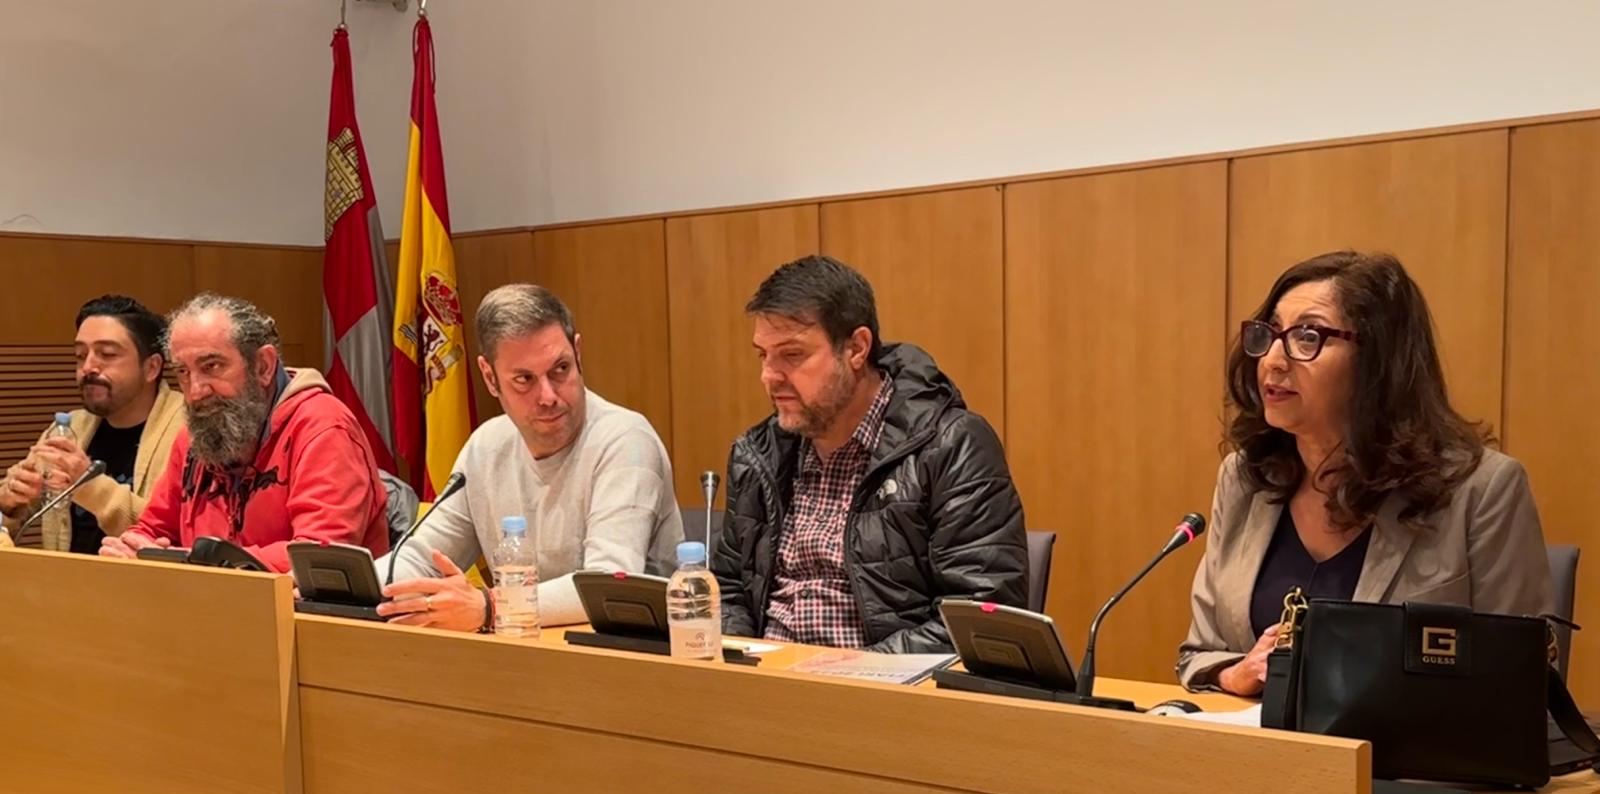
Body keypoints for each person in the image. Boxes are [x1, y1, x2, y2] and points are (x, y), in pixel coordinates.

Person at [1179, 251, 1551, 694]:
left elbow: (1523, 682)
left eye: (1308, 336)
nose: (1274, 360)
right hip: (1262, 755)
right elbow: (1199, 652)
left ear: (1378, 362)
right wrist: (1235, 673)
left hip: (1402, 761)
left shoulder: (1479, 491)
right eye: (1271, 333)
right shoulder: (1246, 478)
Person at [713, 255, 1026, 652]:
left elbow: (982, 615)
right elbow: (727, 587)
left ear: (857, 349)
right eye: (763, 355)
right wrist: (739, 660)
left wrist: (856, 672)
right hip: (769, 691)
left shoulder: (950, 445)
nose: (769, 377)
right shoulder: (757, 453)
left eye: (792, 355)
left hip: (886, 696)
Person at [374, 284, 681, 630]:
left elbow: (609, 583)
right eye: (524, 380)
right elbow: (420, 557)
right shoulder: (486, 447)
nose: (548, 395)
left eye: (560, 369)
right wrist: (333, 586)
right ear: (490, 378)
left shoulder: (626, 442)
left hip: (632, 663)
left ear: (578, 354)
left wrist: (491, 607)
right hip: (527, 661)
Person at [99, 294, 388, 571]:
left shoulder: (324, 428)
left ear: (262, 366)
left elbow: (320, 555)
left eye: (211, 366)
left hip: (306, 617)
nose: (196, 392)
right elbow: (152, 529)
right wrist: (130, 550)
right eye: (183, 373)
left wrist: (192, 564)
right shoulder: (194, 436)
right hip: (210, 609)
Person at [0, 295, 185, 552]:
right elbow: (11, 523)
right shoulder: (70, 426)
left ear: (152, 367)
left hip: (145, 588)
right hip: (65, 583)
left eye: (107, 354)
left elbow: (174, 535)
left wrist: (89, 485)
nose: (88, 367)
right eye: (80, 355)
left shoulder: (188, 430)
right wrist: (10, 504)